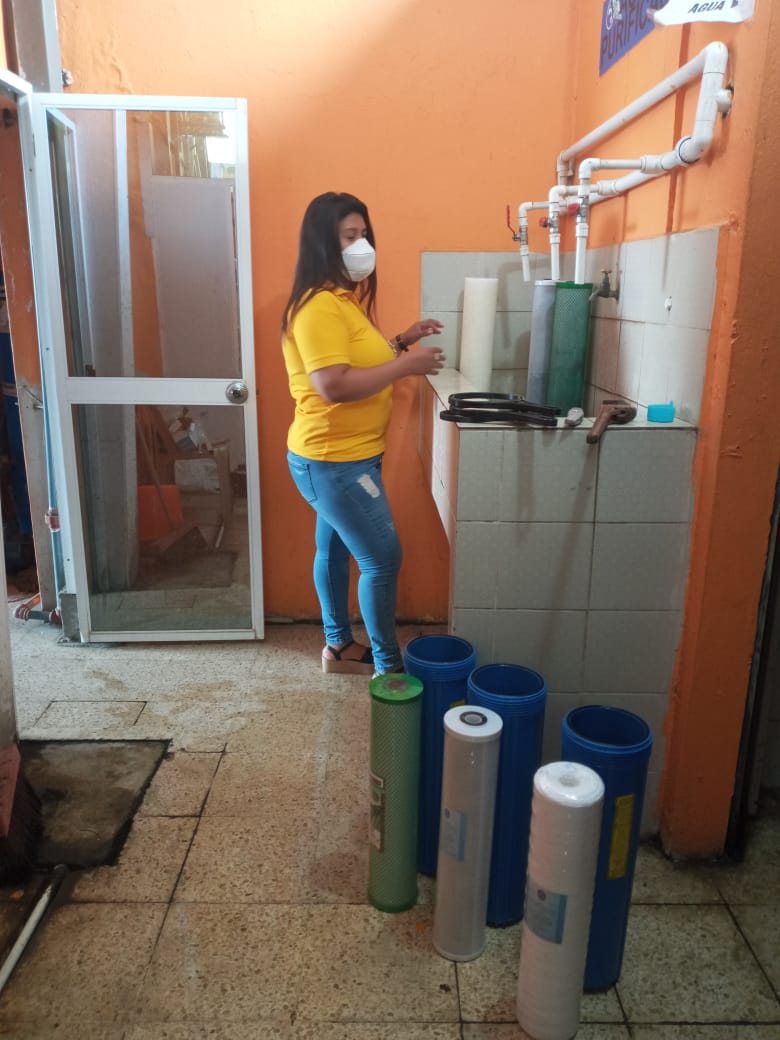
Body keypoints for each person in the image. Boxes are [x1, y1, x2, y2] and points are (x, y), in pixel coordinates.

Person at [281, 191, 445, 677]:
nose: (363, 246)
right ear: (323, 243)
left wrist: (401, 342)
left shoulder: (341, 301)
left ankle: (338, 647)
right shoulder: (318, 307)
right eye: (350, 236)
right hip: (334, 461)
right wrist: (407, 366)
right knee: (382, 559)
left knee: (333, 549)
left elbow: (355, 361)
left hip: (344, 457)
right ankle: (388, 671)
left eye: (364, 234)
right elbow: (332, 385)